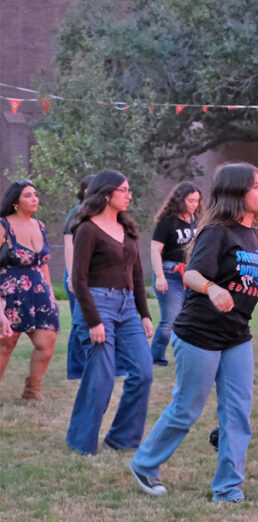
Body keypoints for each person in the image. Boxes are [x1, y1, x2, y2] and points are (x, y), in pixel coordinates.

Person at [129, 163, 258, 501]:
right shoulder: (217, 232)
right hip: (199, 333)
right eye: (256, 186)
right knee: (187, 407)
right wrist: (212, 288)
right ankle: (145, 464)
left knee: (237, 410)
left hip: (237, 335)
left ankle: (228, 487)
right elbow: (192, 274)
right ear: (236, 192)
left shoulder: (256, 235)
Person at [65, 170, 154, 455]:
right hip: (98, 303)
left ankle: (122, 439)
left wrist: (145, 314)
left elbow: (137, 274)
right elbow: (78, 280)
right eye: (124, 190)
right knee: (101, 377)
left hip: (128, 306)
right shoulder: (88, 228)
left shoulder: (127, 229)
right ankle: (81, 442)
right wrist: (93, 321)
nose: (129, 195)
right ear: (107, 194)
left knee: (143, 371)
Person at [0, 180, 60, 399]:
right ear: (15, 202)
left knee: (47, 341)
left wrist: (51, 293)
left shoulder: (40, 225)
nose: (34, 199)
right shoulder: (3, 225)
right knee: (6, 344)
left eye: (35, 194)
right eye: (28, 195)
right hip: (10, 294)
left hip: (40, 293)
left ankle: (32, 389)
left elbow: (42, 263)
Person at [150, 182, 202, 366]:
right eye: (190, 200)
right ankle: (155, 357)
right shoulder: (168, 221)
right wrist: (159, 276)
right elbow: (155, 249)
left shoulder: (196, 220)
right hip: (170, 274)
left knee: (193, 318)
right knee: (170, 320)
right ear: (180, 200)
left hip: (192, 274)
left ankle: (189, 356)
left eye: (197, 201)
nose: (194, 204)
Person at [63, 174, 95, 380]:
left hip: (94, 274)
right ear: (86, 191)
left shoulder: (96, 212)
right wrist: (72, 276)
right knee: (79, 321)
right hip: (77, 274)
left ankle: (99, 365)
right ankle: (76, 369)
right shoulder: (77, 213)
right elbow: (69, 245)